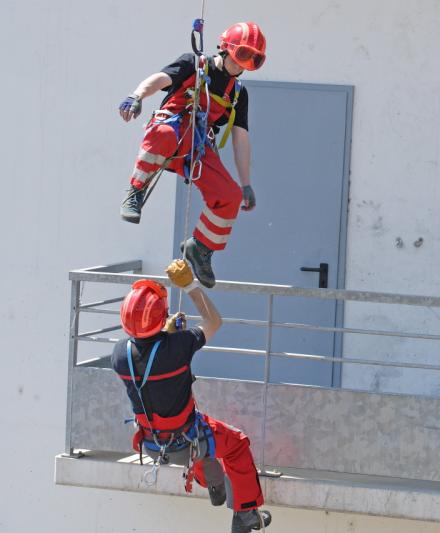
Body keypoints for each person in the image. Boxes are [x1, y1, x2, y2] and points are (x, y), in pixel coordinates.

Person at [111, 259, 271, 532]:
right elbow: (214, 321)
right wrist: (190, 286)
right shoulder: (178, 346)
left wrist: (166, 334)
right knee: (235, 445)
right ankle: (245, 514)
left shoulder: (119, 355)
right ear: (159, 317)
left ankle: (214, 486)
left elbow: (147, 354)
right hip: (187, 437)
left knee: (201, 442)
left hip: (153, 443)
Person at [118, 22, 267, 288]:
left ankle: (200, 248)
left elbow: (240, 138)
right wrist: (137, 95)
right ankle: (135, 191)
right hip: (170, 131)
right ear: (227, 48)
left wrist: (245, 184)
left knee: (229, 196)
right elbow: (161, 79)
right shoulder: (194, 64)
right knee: (163, 133)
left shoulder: (238, 93)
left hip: (196, 147)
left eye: (254, 59)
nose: (245, 63)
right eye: (244, 54)